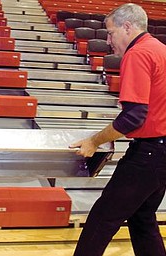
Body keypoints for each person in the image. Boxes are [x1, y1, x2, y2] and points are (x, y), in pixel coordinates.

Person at [70, 3, 166, 256]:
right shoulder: (161, 50)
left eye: (111, 33)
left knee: (102, 219)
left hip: (149, 154)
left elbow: (133, 117)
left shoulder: (138, 54)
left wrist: (94, 141)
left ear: (128, 27)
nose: (109, 41)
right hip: (161, 153)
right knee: (142, 218)